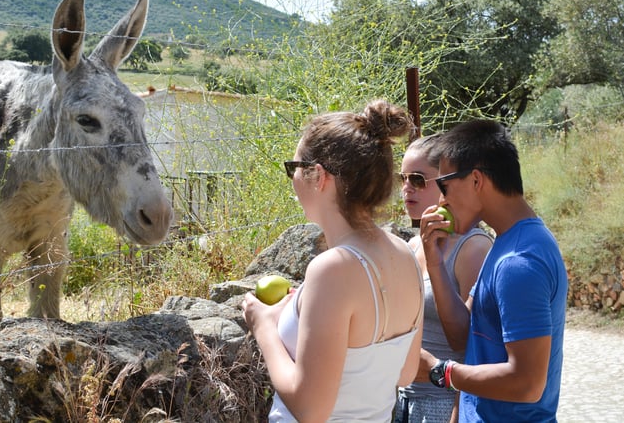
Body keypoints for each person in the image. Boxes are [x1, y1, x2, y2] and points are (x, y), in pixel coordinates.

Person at [242, 100, 425, 422]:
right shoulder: (406, 254)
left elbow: (311, 410)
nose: (293, 181)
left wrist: (265, 327)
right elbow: (406, 373)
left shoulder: (333, 269)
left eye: (293, 168)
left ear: (319, 176)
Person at [418, 119, 567, 422]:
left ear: (476, 180)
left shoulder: (519, 261)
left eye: (444, 185)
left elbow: (527, 384)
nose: (441, 199)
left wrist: (441, 373)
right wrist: (434, 262)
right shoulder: (506, 243)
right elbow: (464, 337)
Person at [394, 134, 493, 423]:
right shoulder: (414, 244)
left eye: (418, 179)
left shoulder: (473, 247)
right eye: (402, 178)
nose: (406, 188)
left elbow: (476, 348)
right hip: (404, 402)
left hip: (444, 403)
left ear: (446, 182)